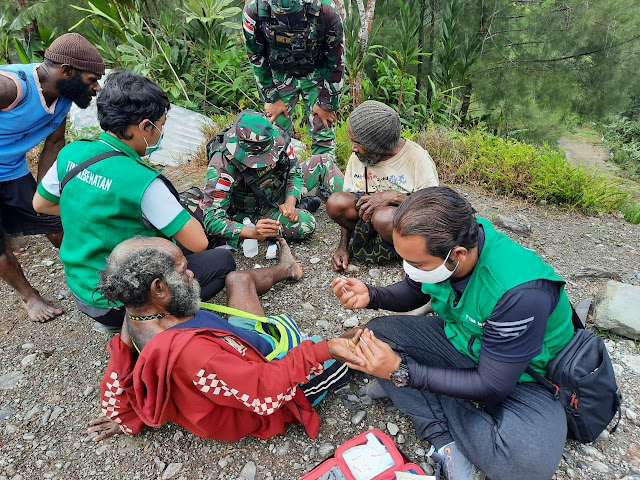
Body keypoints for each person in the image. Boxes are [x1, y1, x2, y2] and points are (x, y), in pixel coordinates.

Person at [332, 187, 575, 480]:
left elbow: (492, 385)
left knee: (522, 468)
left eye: (418, 263)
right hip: (462, 339)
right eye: (405, 259)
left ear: (457, 255)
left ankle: (424, 396)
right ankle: (445, 441)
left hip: (525, 377)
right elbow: (415, 289)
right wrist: (371, 295)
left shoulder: (520, 292)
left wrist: (404, 373)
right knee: (376, 337)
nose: (410, 269)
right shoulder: (451, 239)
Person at [87, 236, 362, 442]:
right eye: (183, 271)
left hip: (241, 345)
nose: (192, 273)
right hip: (265, 373)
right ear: (158, 288)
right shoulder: (193, 353)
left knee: (238, 279)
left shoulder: (136, 312)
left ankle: (288, 268)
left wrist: (123, 414)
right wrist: (326, 349)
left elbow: (121, 373)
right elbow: (263, 390)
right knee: (359, 342)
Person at [32, 70, 235, 334]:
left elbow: (41, 204)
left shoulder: (72, 153)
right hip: (122, 302)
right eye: (160, 124)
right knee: (222, 261)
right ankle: (153, 320)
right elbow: (198, 242)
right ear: (144, 127)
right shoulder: (144, 182)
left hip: (83, 291)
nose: (161, 132)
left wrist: (96, 209)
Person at [0, 33, 104, 322]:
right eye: (92, 80)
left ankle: (93, 273)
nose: (95, 88)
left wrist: (45, 195)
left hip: (10, 170)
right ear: (67, 72)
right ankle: (29, 297)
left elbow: (54, 144)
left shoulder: (64, 96)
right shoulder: (10, 88)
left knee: (55, 221)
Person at [326, 100, 439, 271]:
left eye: (357, 143)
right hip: (366, 222)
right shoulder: (359, 157)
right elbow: (348, 199)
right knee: (336, 202)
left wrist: (394, 197)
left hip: (396, 224)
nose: (353, 148)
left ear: (377, 146)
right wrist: (342, 246)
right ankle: (359, 244)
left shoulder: (417, 158)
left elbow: (434, 208)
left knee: (383, 217)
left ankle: (410, 256)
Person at [242, 0, 344, 172]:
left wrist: (328, 103)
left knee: (323, 130)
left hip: (316, 73)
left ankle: (323, 178)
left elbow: (336, 59)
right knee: (275, 130)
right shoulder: (255, 10)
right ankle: (279, 178)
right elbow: (255, 55)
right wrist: (271, 97)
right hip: (279, 75)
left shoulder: (326, 11)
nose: (288, 23)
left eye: (293, 17)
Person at [202, 110, 316, 249]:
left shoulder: (278, 138)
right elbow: (212, 219)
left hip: (278, 193)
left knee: (323, 161)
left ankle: (300, 204)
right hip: (251, 211)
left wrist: (290, 202)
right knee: (305, 224)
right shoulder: (222, 164)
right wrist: (253, 232)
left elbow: (295, 172)